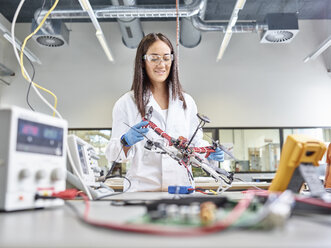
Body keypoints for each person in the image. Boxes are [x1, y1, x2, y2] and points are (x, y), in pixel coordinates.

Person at [106, 33, 224, 192]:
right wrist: (125, 141)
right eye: (154, 58)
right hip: (142, 191)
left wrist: (209, 152)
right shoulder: (126, 103)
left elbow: (195, 143)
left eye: (166, 58)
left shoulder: (186, 101)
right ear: (143, 61)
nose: (161, 64)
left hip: (181, 188)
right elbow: (113, 154)